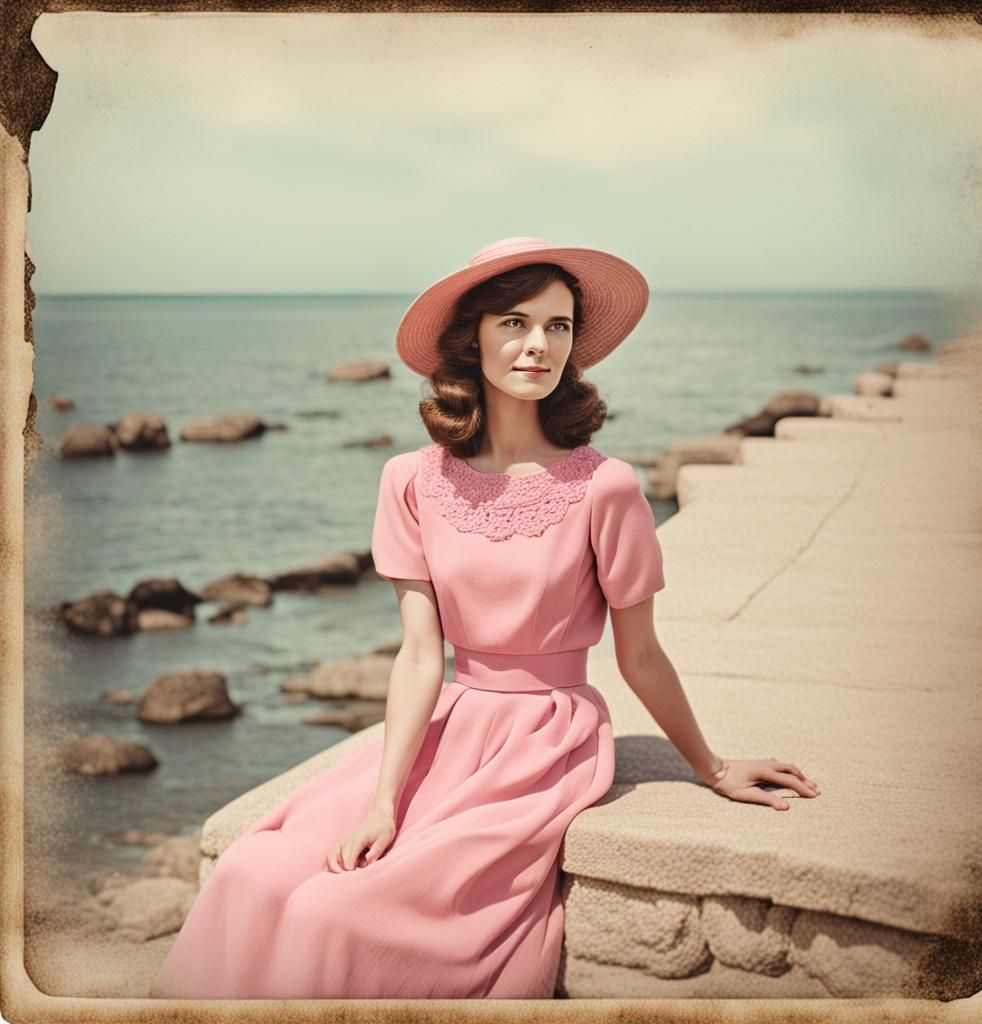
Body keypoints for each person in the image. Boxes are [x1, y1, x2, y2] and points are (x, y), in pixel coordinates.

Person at [148, 235, 820, 1001]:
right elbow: (417, 657)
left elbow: (641, 656)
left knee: (332, 910)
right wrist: (383, 800)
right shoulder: (409, 479)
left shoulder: (609, 487)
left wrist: (713, 766)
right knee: (254, 871)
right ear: (474, 338)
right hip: (448, 729)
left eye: (559, 326)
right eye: (515, 322)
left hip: (545, 742)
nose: (539, 344)